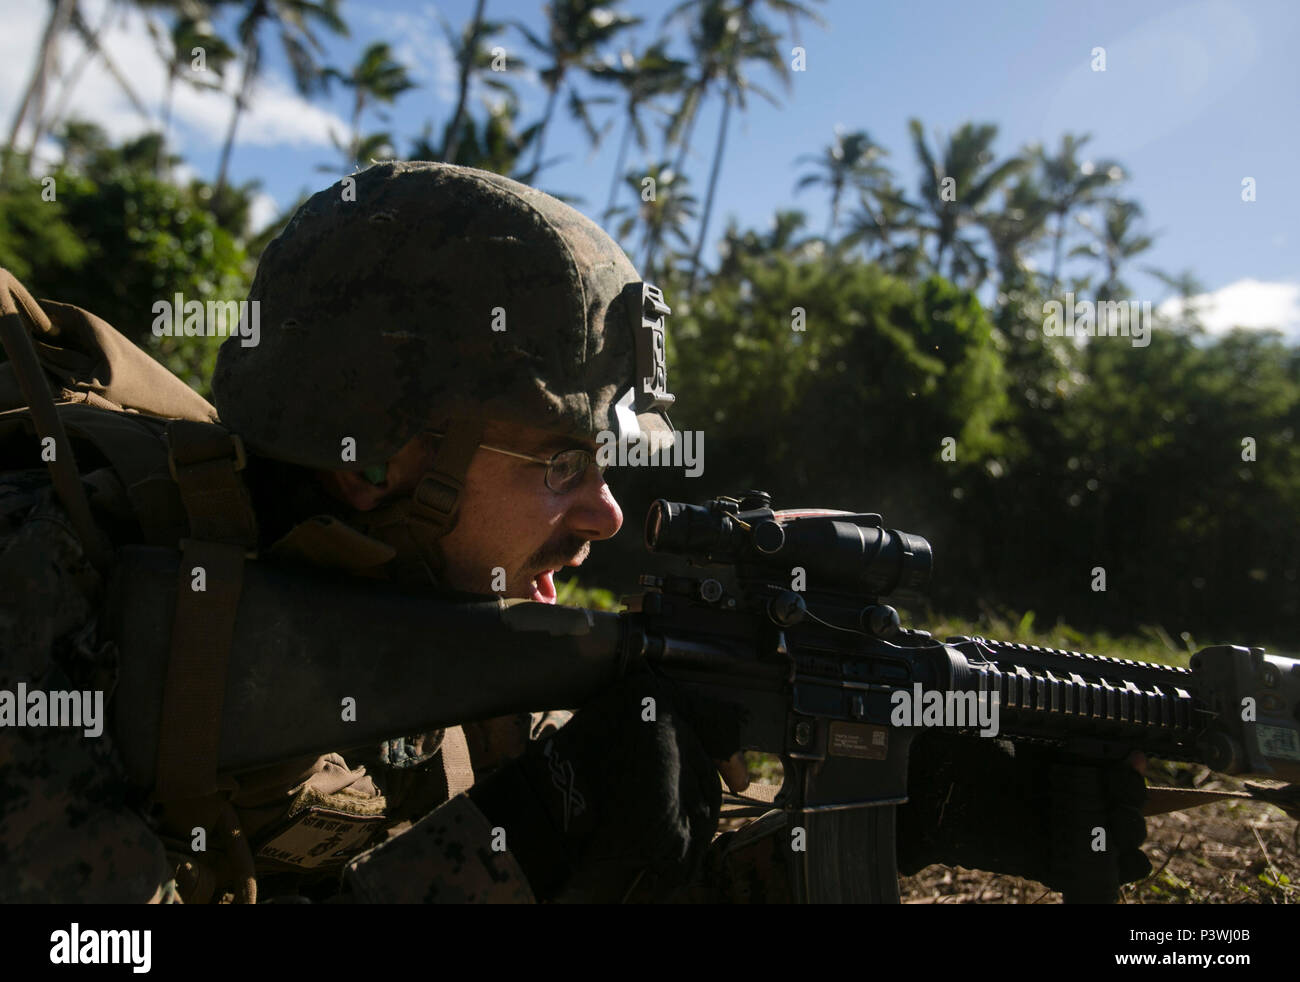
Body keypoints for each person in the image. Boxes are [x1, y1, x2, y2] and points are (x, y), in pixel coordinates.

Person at [0, 161, 1148, 903]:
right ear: (379, 464)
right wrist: (511, 853)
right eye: (560, 463)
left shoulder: (418, 627)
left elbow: (605, 857)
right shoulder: (47, 581)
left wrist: (870, 821)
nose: (604, 513)